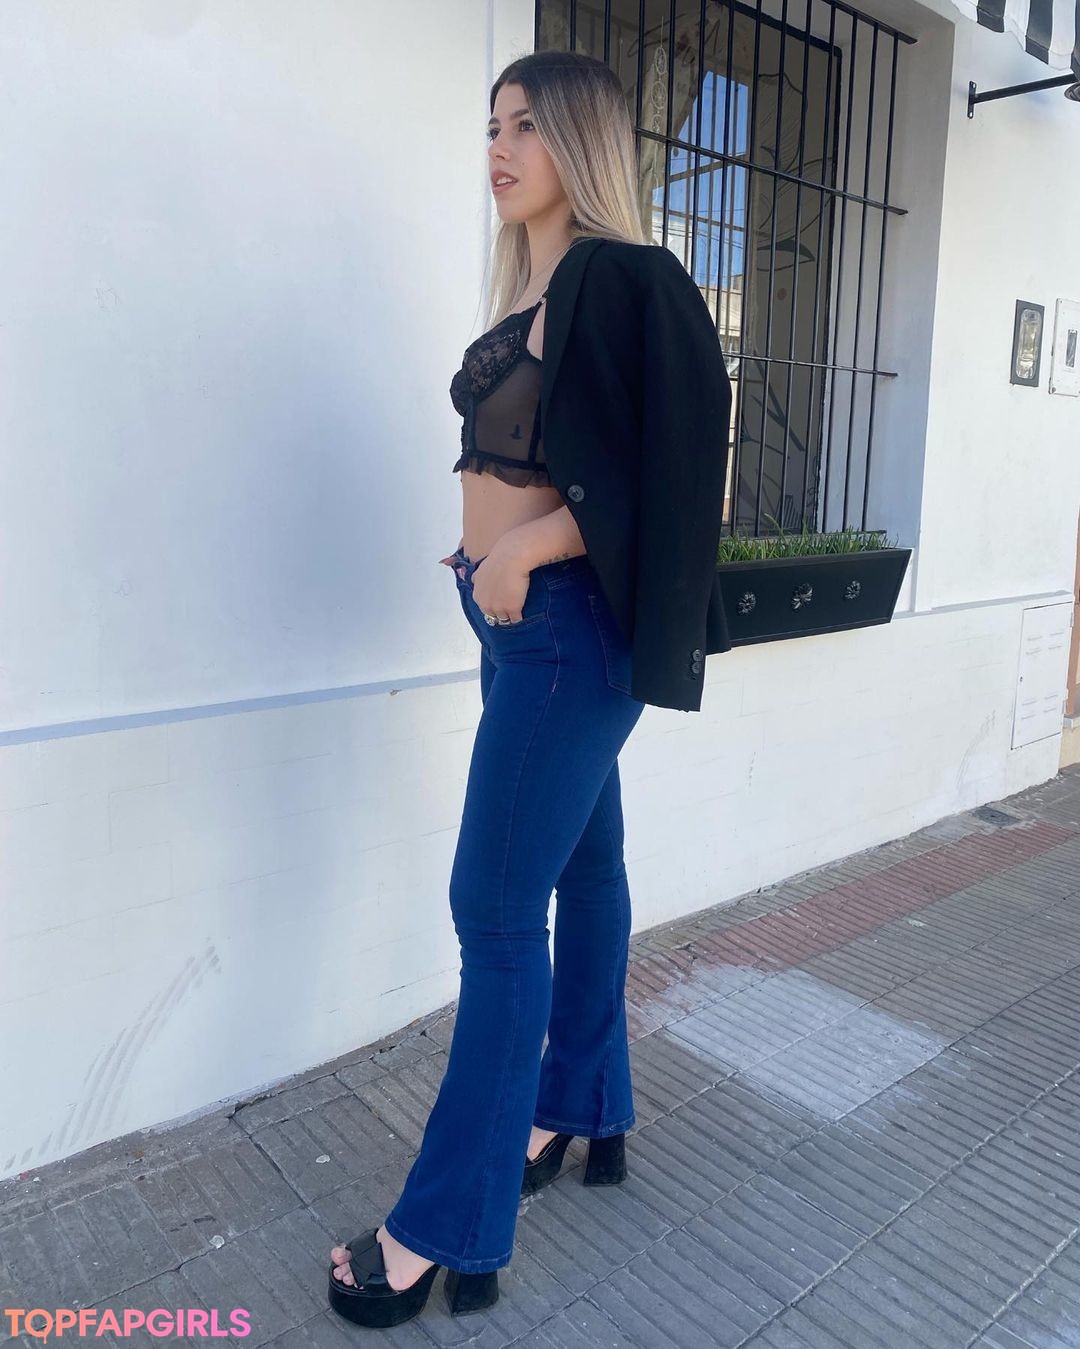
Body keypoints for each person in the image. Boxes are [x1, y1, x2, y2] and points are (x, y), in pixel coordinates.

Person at [327, 48, 732, 1330]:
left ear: (583, 141)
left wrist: (524, 547)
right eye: (491, 125)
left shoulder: (630, 277)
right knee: (585, 868)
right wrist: (482, 551)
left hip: (565, 631)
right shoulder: (538, 288)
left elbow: (679, 472)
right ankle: (583, 1104)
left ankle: (446, 1227)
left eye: (525, 126)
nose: (498, 148)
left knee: (495, 911)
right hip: (519, 622)